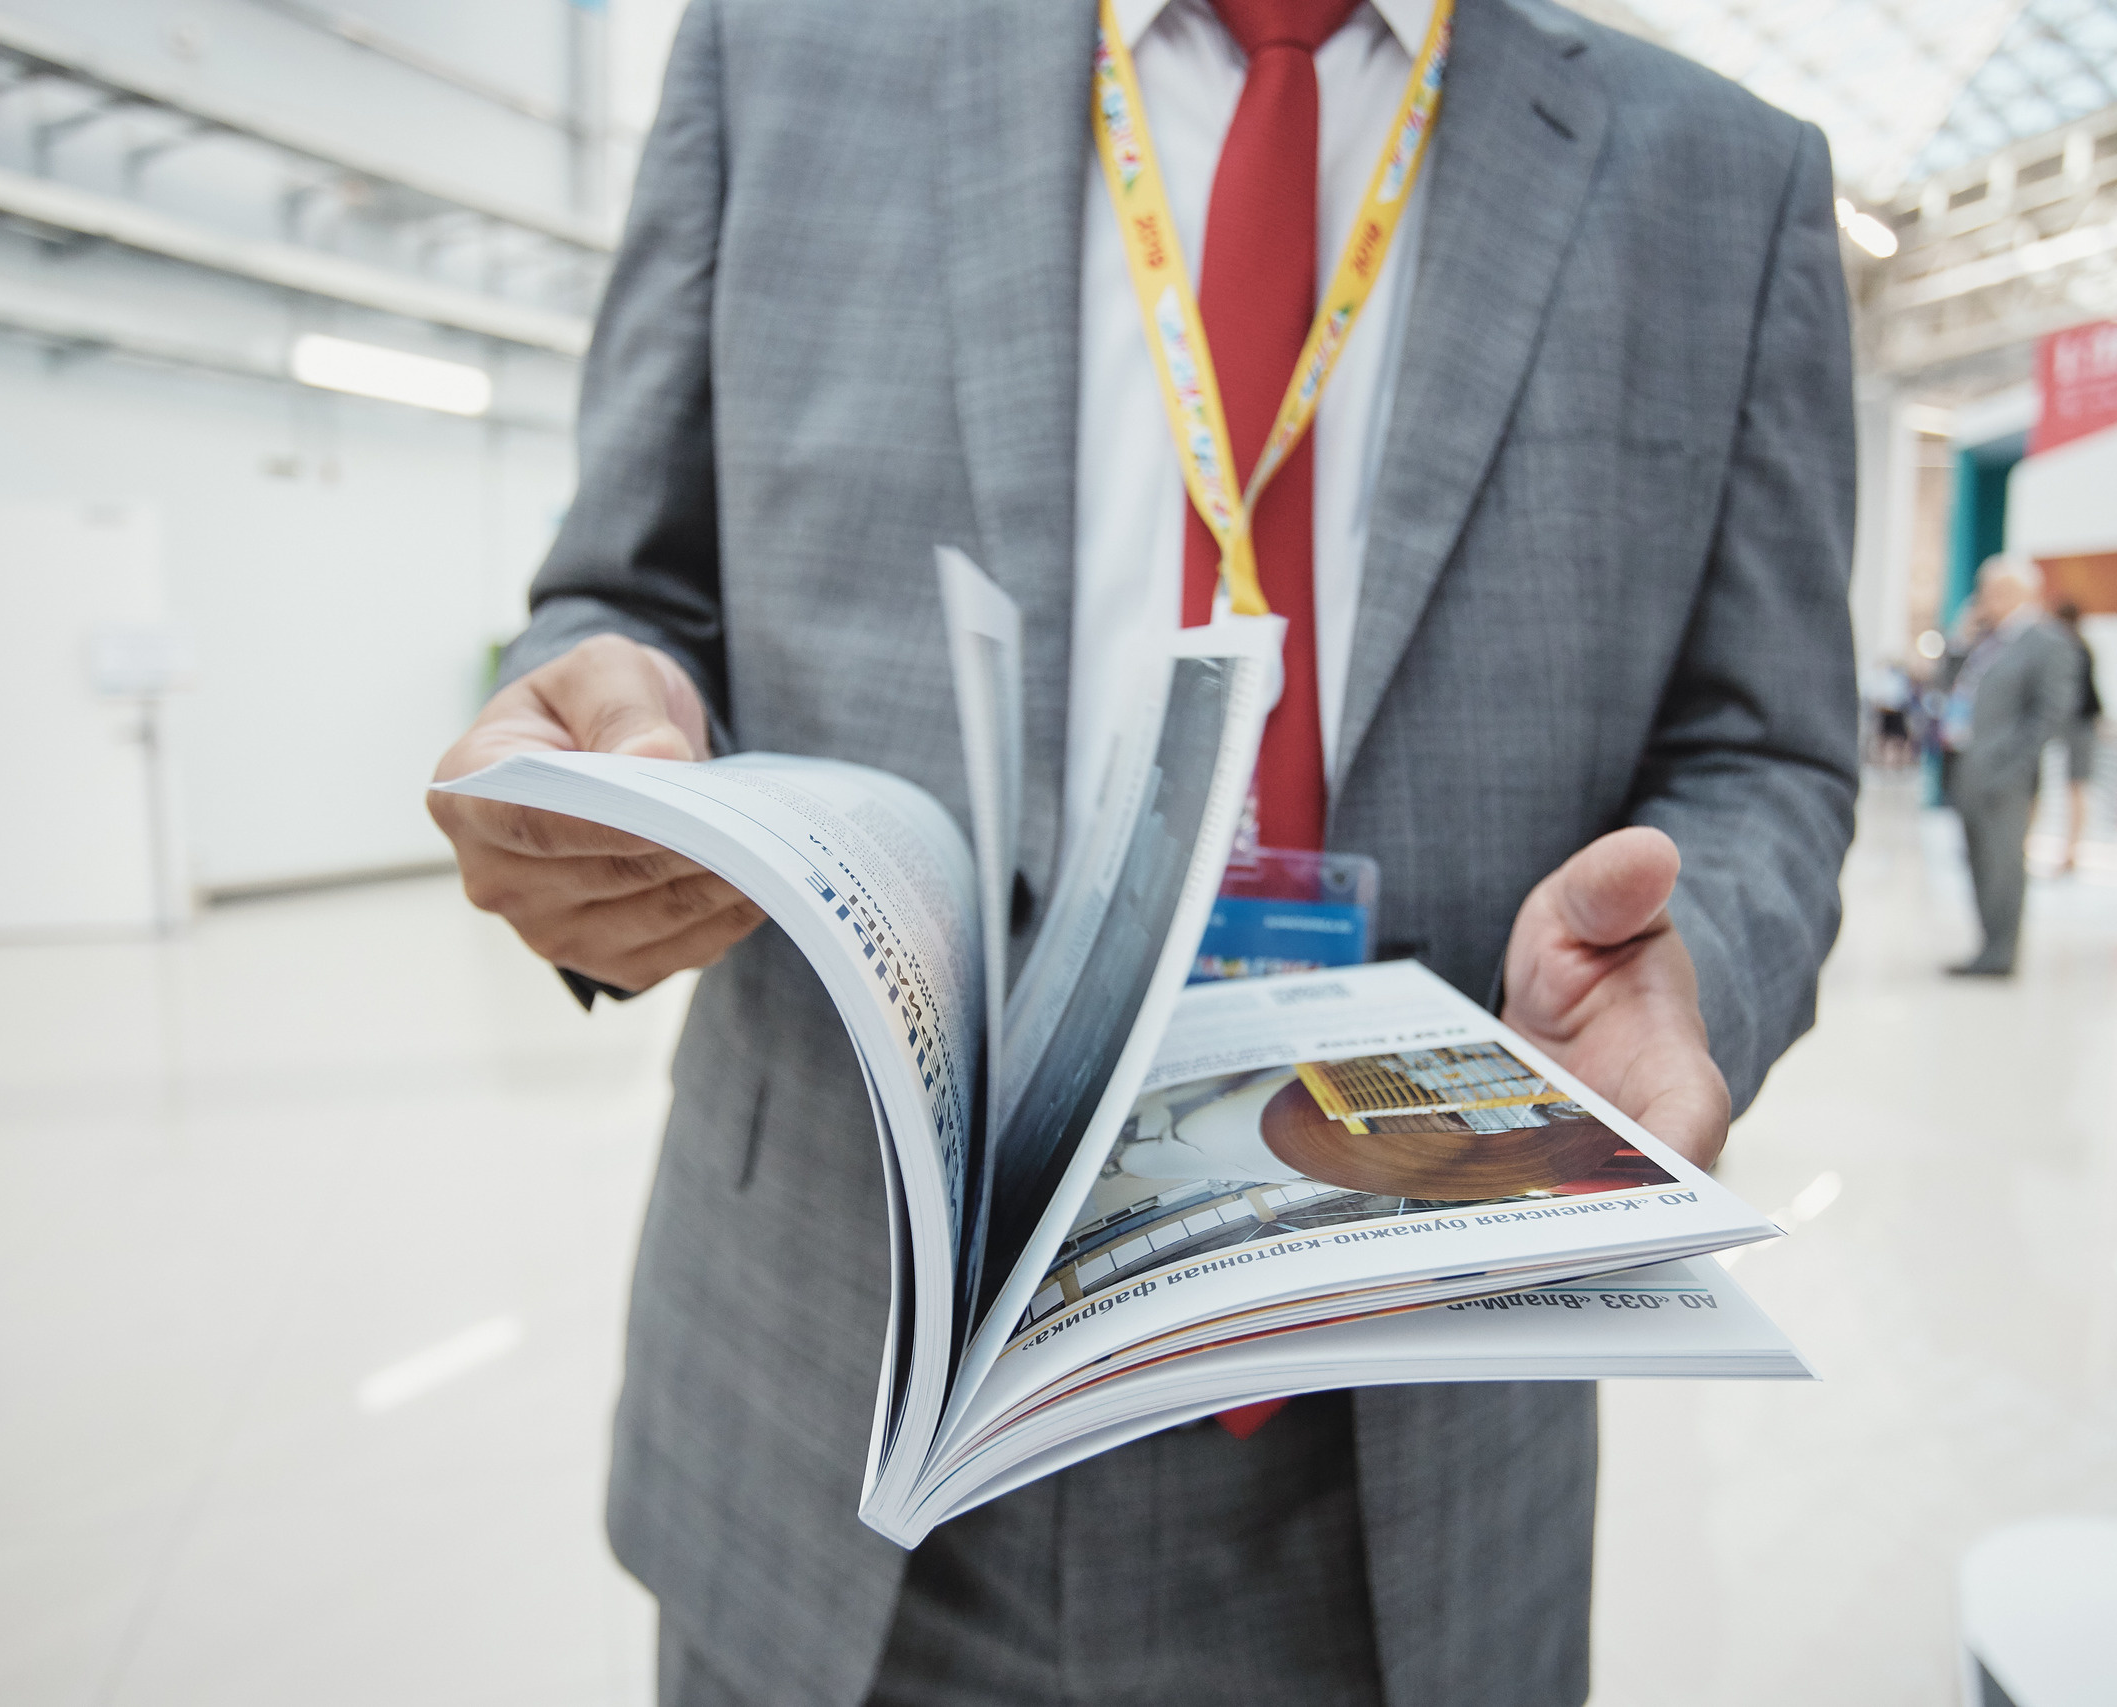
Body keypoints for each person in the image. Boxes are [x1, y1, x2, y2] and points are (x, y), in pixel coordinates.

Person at [427, 1, 1858, 1702]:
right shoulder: (783, 51)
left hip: (1400, 1447)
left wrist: (1700, 957)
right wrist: (619, 747)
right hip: (835, 1398)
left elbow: (1766, 747)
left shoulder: (1718, 179)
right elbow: (629, 591)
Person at [1941, 556, 2085, 977]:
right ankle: (1987, 946)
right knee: (1978, 863)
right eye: (1985, 591)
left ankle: (2001, 954)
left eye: (1997, 591)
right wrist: (1958, 641)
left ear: (2025, 595)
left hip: (2004, 776)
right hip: (1966, 766)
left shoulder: (2048, 643)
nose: (1987, 600)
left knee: (2003, 866)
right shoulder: (1986, 642)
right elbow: (1948, 688)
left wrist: (2011, 767)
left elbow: (2051, 714)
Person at [2051, 597, 2102, 872]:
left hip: (2078, 723)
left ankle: (2072, 851)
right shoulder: (2080, 646)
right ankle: (2071, 849)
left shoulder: (2069, 648)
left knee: (2077, 786)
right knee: (2076, 786)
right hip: (2079, 722)